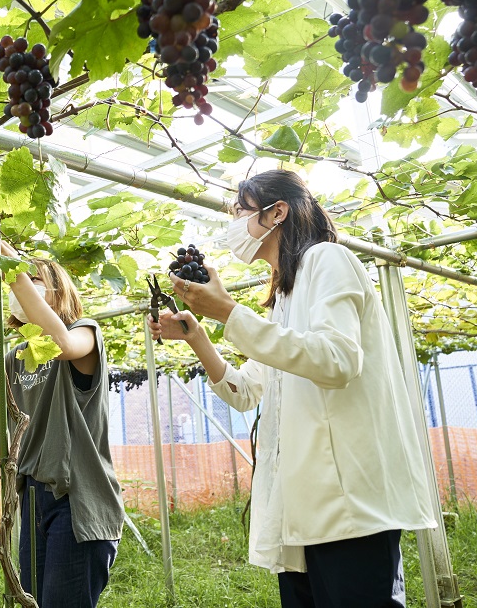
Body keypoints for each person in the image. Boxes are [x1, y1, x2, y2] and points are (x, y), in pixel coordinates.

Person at [150, 169, 437, 608]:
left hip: (350, 510)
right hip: (302, 514)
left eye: (239, 211)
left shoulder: (328, 260)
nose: (233, 224)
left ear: (276, 212)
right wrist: (197, 336)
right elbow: (244, 391)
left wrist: (230, 313)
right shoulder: (285, 300)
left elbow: (338, 360)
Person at [0, 243, 124, 608]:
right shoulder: (18, 356)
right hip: (31, 498)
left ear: (57, 290)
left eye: (33, 279)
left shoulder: (84, 334)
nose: (21, 285)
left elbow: (62, 344)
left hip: (77, 498)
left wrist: (10, 270)